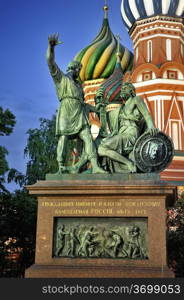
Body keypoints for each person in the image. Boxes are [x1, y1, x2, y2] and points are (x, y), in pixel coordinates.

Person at [46, 33, 106, 174]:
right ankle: (60, 166)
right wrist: (51, 47)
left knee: (88, 139)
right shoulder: (61, 78)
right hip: (66, 111)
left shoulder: (79, 86)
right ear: (73, 68)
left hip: (79, 113)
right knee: (63, 138)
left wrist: (95, 109)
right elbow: (50, 62)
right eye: (78, 69)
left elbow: (83, 104)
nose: (79, 72)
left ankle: (95, 166)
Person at [97, 82, 159, 173]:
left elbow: (146, 114)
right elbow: (105, 118)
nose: (122, 89)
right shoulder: (120, 109)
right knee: (100, 149)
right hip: (121, 134)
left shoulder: (136, 100)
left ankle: (129, 164)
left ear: (131, 91)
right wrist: (100, 104)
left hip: (130, 133)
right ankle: (127, 163)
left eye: (125, 88)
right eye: (122, 88)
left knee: (102, 147)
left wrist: (151, 127)